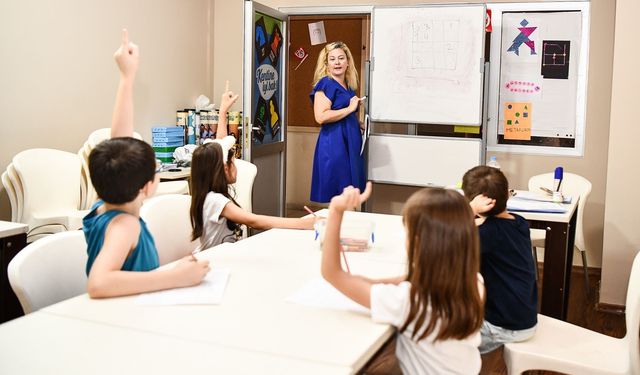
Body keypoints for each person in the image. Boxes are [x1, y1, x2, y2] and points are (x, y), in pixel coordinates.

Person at [83, 29, 210, 298]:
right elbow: (98, 284)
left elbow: (119, 142)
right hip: (129, 319)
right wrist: (174, 277)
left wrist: (126, 77)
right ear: (147, 187)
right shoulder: (124, 226)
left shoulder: (102, 203)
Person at [321, 184, 485, 374]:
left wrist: (335, 210)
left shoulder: (408, 301)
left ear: (418, 242)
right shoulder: (475, 282)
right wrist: (362, 282)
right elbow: (408, 278)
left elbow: (332, 273)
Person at [189, 81, 316, 251]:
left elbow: (220, 146)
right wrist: (304, 224)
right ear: (223, 169)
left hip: (227, 256)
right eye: (233, 163)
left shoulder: (212, 191)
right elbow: (254, 221)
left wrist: (223, 111)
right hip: (212, 263)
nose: (236, 167)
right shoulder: (215, 200)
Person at [462, 165, 538, 354]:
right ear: (507, 193)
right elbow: (486, 227)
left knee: (443, 340)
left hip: (505, 327)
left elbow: (448, 241)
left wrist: (469, 210)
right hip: (524, 317)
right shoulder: (519, 222)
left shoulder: (486, 235)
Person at [310, 41, 366, 203]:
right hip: (335, 144)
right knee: (341, 193)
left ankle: (348, 226)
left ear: (348, 62)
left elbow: (344, 112)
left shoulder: (348, 85)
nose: (337, 63)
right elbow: (320, 116)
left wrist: (357, 123)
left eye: (341, 58)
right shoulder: (325, 84)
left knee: (350, 193)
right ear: (326, 64)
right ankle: (337, 226)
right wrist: (349, 109)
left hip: (349, 142)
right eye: (332, 59)